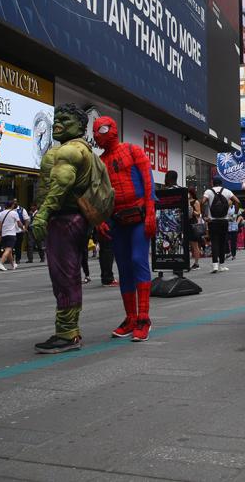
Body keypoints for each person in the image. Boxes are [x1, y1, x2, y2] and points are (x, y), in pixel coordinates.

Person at [31, 104, 100, 354]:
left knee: (64, 276)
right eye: (57, 118)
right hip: (75, 220)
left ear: (81, 126)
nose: (58, 122)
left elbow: (61, 184)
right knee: (67, 274)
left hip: (65, 219)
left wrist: (43, 215)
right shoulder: (82, 149)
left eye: (66, 119)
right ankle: (69, 330)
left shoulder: (70, 150)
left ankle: (67, 333)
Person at [93, 116, 157, 343]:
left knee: (138, 259)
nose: (98, 134)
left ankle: (144, 318)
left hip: (138, 216)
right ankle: (131, 318)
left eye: (102, 129)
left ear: (112, 129)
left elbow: (148, 183)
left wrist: (150, 212)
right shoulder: (100, 162)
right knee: (123, 267)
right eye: (96, 130)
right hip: (116, 220)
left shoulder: (133, 151)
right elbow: (99, 194)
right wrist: (100, 219)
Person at [204, 176, 239, 273]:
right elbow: (237, 201)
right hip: (224, 221)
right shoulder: (227, 191)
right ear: (221, 183)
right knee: (222, 242)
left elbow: (203, 202)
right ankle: (222, 265)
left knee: (214, 242)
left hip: (212, 221)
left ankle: (215, 265)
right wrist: (234, 215)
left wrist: (205, 215)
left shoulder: (208, 191)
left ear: (212, 183)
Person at [0, 200, 21, 271]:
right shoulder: (14, 213)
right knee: (8, 249)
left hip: (4, 234)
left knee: (9, 251)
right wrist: (23, 228)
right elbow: (19, 223)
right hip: (11, 234)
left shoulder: (1, 213)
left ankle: (13, 265)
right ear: (12, 205)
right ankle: (1, 263)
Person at [187, 187, 204, 269]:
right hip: (185, 223)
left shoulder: (195, 201)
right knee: (187, 244)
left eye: (188, 192)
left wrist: (192, 210)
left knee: (194, 245)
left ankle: (196, 263)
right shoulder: (185, 201)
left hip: (192, 224)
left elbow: (199, 213)